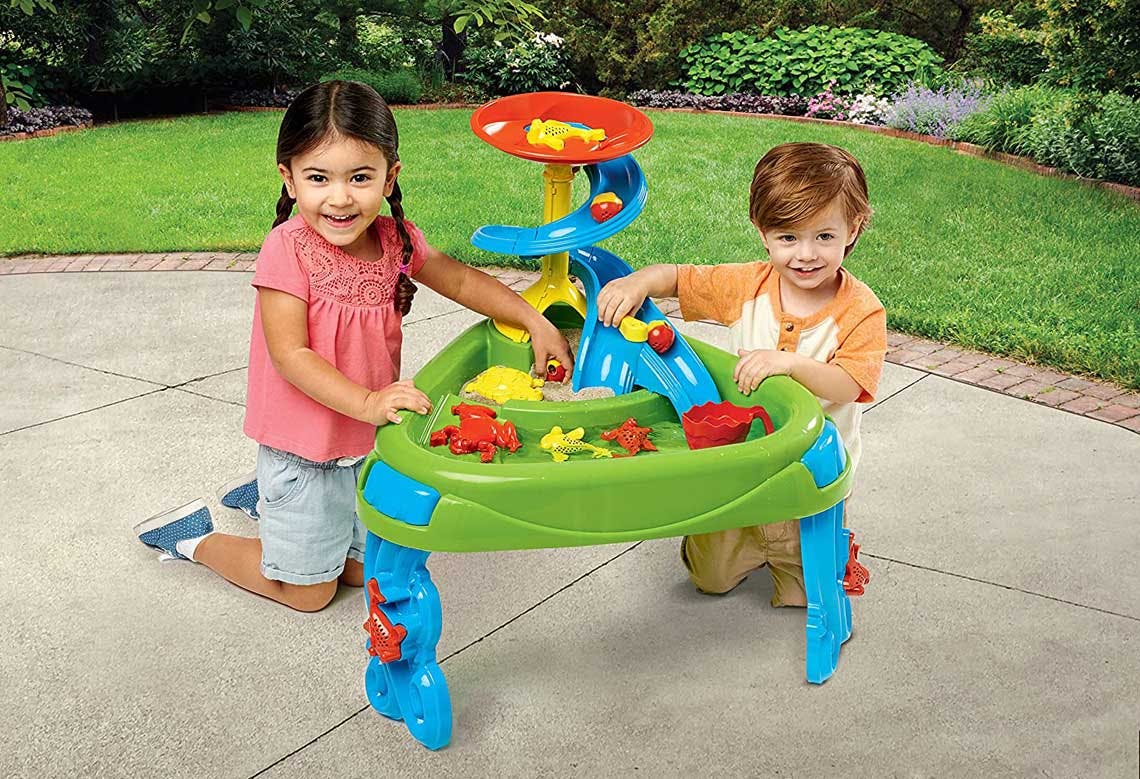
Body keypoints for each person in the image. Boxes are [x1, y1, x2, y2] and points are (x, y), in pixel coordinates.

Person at [135, 81, 573, 612]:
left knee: (370, 569)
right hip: (304, 449)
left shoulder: (395, 239)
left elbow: (458, 280)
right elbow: (290, 355)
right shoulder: (286, 250)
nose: (340, 198)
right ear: (289, 179)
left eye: (360, 178)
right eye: (319, 178)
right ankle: (195, 538)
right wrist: (369, 402)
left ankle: (270, 511)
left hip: (365, 445)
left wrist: (532, 317)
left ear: (390, 177)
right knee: (310, 593)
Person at [596, 142, 886, 607]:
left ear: (852, 229)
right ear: (762, 231)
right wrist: (639, 282)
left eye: (824, 237)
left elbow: (850, 385)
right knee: (708, 579)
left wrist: (789, 364)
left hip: (808, 477)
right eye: (787, 238)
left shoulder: (861, 310)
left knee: (806, 594)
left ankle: (821, 550)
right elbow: (680, 277)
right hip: (740, 465)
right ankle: (729, 538)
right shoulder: (748, 285)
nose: (806, 255)